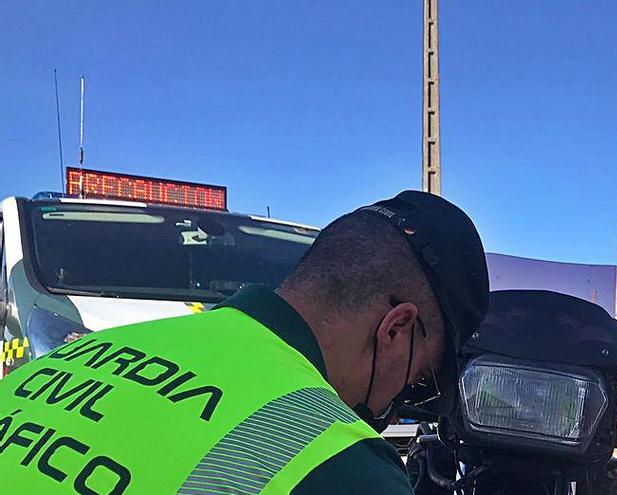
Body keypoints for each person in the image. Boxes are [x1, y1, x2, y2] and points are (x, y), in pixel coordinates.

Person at [0, 190, 489, 495]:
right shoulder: (340, 464)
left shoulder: (76, 353)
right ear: (396, 329)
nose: (400, 399)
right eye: (419, 376)